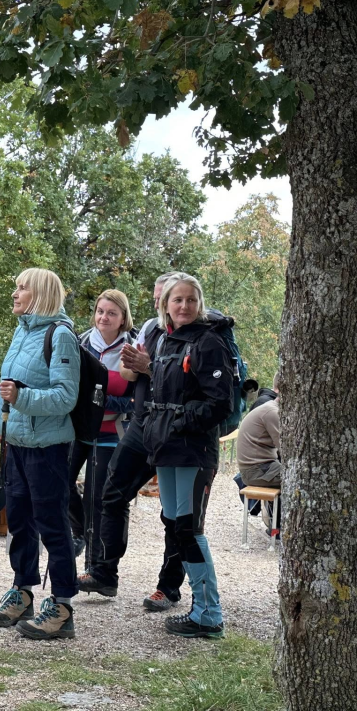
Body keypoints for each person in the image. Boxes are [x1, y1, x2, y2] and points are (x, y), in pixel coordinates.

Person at [0, 268, 81, 640]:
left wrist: (23, 397)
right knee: (18, 521)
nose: (14, 293)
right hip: (16, 442)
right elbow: (13, 391)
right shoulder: (23, 331)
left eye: (21, 288)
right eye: (15, 286)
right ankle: (23, 592)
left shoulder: (60, 335)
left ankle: (62, 606)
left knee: (52, 524)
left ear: (41, 294)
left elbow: (66, 397)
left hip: (47, 447)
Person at [77, 272, 187, 611]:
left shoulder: (203, 336)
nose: (159, 303)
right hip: (143, 425)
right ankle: (104, 573)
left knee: (177, 514)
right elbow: (128, 376)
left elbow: (194, 387)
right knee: (111, 494)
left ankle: (168, 588)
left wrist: (147, 367)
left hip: (178, 432)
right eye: (158, 297)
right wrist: (132, 369)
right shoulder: (152, 329)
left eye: (165, 297)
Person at [141, 273, 233, 638]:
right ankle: (202, 608)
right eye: (177, 300)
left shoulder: (209, 342)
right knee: (176, 525)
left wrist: (178, 418)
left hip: (194, 449)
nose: (184, 306)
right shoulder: (165, 341)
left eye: (191, 300)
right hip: (167, 448)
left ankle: (209, 613)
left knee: (190, 530)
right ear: (166, 304)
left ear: (200, 303)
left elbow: (220, 403)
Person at [67, 290, 135, 570]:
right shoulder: (79, 343)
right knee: (58, 482)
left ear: (123, 319)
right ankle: (81, 531)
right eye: (100, 311)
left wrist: (97, 400)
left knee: (98, 498)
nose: (104, 317)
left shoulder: (133, 348)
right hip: (77, 428)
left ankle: (97, 568)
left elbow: (132, 399)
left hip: (112, 432)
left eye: (111, 313)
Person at [237, 373, 281, 488]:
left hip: (262, 467)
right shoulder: (272, 412)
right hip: (256, 471)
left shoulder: (270, 407)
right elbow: (287, 449)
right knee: (304, 478)